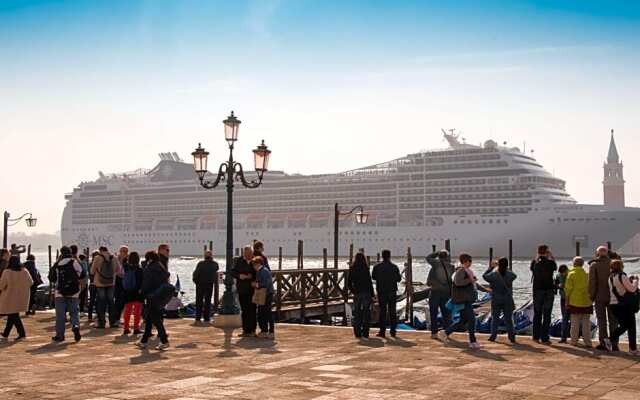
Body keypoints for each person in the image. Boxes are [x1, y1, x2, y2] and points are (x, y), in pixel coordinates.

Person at [440, 253, 490, 349]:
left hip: (466, 299)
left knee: (463, 320)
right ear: (465, 261)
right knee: (472, 320)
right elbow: (458, 283)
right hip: (464, 299)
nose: (471, 263)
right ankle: (473, 342)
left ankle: (445, 332)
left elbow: (475, 284)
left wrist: (486, 290)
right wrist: (469, 280)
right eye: (469, 261)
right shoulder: (461, 271)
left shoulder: (467, 271)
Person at [48, 246, 83, 342]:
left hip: (60, 293)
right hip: (74, 292)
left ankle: (60, 336)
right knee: (74, 312)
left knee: (60, 315)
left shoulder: (57, 264)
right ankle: (75, 326)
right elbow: (82, 274)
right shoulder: (74, 262)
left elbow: (52, 278)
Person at [137, 250, 171, 350]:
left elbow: (146, 284)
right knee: (150, 318)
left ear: (150, 259)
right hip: (160, 296)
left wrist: (142, 295)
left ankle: (164, 341)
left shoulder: (150, 268)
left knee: (155, 319)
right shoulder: (161, 267)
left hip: (151, 296)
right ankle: (143, 341)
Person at [608, 259, 639, 355]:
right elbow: (632, 289)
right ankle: (632, 349)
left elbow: (619, 288)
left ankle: (609, 340)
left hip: (614, 305)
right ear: (621, 266)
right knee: (631, 327)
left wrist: (629, 282)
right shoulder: (622, 275)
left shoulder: (610, 277)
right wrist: (635, 281)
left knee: (625, 326)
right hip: (625, 306)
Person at [483, 257, 517, 343]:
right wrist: (506, 268)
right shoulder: (510, 275)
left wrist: (491, 267)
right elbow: (514, 275)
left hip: (496, 299)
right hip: (507, 299)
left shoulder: (493, 275)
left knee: (495, 318)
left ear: (498, 264)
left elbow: (484, 276)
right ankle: (511, 337)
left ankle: (493, 336)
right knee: (508, 319)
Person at [0, 256, 33, 340]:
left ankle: (22, 333)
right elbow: (31, 282)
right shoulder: (24, 271)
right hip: (21, 297)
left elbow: (1, 285)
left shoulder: (7, 272)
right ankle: (6, 333)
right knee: (13, 314)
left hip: (9, 297)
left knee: (13, 315)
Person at [589, 246, 614, 351]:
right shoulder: (613, 264)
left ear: (597, 253)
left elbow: (592, 282)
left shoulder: (594, 265)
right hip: (613, 297)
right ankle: (614, 343)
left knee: (601, 320)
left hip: (599, 296)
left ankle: (604, 343)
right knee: (613, 320)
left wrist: (591, 296)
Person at [530, 244, 557, 345]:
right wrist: (551, 256)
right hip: (549, 290)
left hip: (537, 291)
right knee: (547, 314)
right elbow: (555, 267)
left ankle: (536, 336)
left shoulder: (535, 263)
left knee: (537, 314)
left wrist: (537, 257)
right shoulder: (550, 263)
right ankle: (545, 337)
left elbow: (532, 268)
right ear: (547, 252)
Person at [372, 249, 401, 338]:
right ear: (389, 256)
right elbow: (399, 279)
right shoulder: (394, 267)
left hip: (382, 291)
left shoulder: (377, 267)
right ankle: (393, 331)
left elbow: (373, 277)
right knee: (392, 312)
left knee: (383, 312)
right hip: (392, 291)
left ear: (382, 256)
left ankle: (382, 331)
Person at [564, 257, 593, 348]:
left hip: (575, 302)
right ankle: (588, 342)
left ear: (574, 264)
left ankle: (574, 341)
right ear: (582, 264)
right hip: (586, 301)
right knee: (586, 324)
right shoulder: (587, 274)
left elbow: (568, 289)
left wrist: (567, 301)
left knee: (574, 324)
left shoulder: (571, 274)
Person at [90, 246, 121, 329]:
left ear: (100, 250)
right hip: (111, 283)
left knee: (101, 302)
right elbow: (119, 270)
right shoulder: (113, 257)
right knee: (111, 302)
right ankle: (113, 322)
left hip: (100, 283)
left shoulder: (97, 258)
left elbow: (92, 271)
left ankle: (102, 322)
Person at [426, 249, 454, 339]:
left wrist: (436, 252)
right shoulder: (451, 267)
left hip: (435, 292)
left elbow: (428, 257)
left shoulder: (435, 264)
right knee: (446, 314)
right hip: (446, 293)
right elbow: (453, 281)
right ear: (447, 257)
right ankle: (446, 333)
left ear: (439, 256)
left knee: (433, 313)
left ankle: (434, 333)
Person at [231, 245, 257, 337]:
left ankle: (253, 330)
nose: (247, 256)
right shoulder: (239, 261)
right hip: (242, 289)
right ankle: (246, 330)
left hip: (252, 289)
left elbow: (260, 272)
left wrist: (252, 277)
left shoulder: (256, 260)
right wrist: (239, 276)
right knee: (244, 310)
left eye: (249, 254)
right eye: (246, 254)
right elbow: (232, 272)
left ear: (252, 253)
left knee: (252, 310)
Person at [348, 252, 375, 338]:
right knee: (366, 313)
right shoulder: (365, 268)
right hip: (366, 293)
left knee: (357, 313)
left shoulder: (352, 268)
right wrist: (372, 294)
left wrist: (353, 291)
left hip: (357, 293)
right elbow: (369, 282)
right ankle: (366, 333)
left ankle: (357, 333)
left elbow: (349, 283)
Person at [192, 250, 219, 323]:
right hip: (209, 284)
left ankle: (198, 317)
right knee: (208, 301)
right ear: (211, 256)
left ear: (204, 256)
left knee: (199, 301)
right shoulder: (215, 264)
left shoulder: (200, 264)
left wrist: (196, 281)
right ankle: (206, 317)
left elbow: (196, 274)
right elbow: (216, 269)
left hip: (200, 284)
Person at [252, 256, 275, 339]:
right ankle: (264, 330)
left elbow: (266, 283)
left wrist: (256, 285)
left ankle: (270, 331)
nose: (253, 267)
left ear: (258, 264)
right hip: (264, 294)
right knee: (262, 312)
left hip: (267, 294)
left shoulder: (264, 271)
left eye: (254, 265)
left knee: (266, 312)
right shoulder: (260, 271)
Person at [122, 251, 144, 335]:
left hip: (127, 291)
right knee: (137, 311)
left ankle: (126, 328)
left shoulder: (125, 267)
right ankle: (136, 328)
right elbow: (141, 281)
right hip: (137, 292)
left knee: (127, 310)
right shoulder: (139, 269)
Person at [111, 245, 129, 328]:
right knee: (118, 301)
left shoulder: (127, 261)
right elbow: (114, 270)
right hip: (116, 282)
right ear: (120, 251)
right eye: (123, 251)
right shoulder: (115, 259)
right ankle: (115, 319)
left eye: (126, 251)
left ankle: (117, 318)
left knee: (122, 302)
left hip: (124, 282)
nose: (125, 253)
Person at [555, 264, 570, 343]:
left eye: (563, 273)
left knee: (568, 318)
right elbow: (555, 284)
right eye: (561, 273)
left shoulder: (570, 275)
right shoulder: (559, 275)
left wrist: (559, 286)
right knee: (565, 318)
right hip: (565, 298)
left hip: (569, 298)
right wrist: (558, 286)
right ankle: (564, 337)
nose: (563, 274)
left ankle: (567, 337)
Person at [87, 251, 99, 321]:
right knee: (97, 300)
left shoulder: (90, 264)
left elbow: (90, 275)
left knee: (92, 300)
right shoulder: (97, 264)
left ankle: (90, 316)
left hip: (91, 284)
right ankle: (97, 314)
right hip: (97, 284)